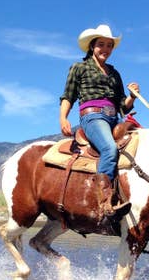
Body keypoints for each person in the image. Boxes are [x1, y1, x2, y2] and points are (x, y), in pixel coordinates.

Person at [59, 24, 139, 219]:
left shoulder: (114, 73)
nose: (105, 49)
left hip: (114, 117)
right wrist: (63, 118)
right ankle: (104, 203)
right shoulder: (80, 68)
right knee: (110, 149)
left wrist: (132, 96)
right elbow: (68, 96)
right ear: (92, 47)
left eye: (109, 46)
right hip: (92, 116)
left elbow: (123, 106)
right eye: (101, 44)